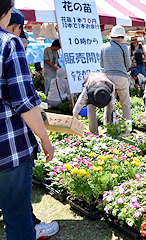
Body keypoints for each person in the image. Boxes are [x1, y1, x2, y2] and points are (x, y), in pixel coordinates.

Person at [0, 2, 56, 240]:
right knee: (17, 213)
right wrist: (45, 139)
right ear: (7, 13)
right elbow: (24, 103)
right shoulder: (8, 43)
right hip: (8, 147)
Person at [100, 25, 132, 131]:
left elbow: (101, 64)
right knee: (125, 103)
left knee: (108, 102)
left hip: (107, 78)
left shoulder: (104, 46)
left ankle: (107, 124)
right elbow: (128, 64)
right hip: (121, 77)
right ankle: (127, 126)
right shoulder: (123, 47)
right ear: (121, 37)